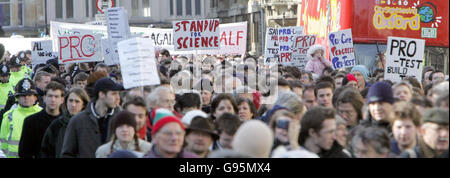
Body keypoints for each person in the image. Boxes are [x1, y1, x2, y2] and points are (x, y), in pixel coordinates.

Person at [61, 77, 123, 158]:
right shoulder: (78, 120)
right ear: (101, 94)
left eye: (118, 94)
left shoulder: (121, 118)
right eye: (114, 94)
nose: (118, 97)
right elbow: (67, 153)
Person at [18, 82, 65, 158]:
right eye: (50, 96)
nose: (53, 100)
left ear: (62, 100)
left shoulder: (68, 122)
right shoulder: (31, 121)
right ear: (44, 98)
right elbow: (24, 152)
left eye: (56, 97)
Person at [40, 88, 90, 158]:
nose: (73, 105)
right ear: (66, 102)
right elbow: (46, 150)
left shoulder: (90, 125)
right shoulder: (57, 124)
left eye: (77, 101)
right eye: (70, 101)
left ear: (83, 104)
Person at [0, 78, 42, 158]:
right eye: (23, 95)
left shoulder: (43, 114)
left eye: (29, 95)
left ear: (35, 97)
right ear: (17, 98)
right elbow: (3, 145)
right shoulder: (9, 116)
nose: (26, 98)